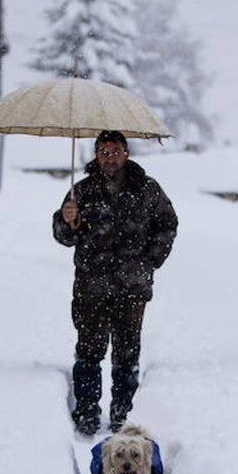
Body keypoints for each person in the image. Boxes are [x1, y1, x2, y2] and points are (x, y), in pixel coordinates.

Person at [53, 130, 178, 435]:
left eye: (116, 151)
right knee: (89, 351)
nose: (110, 157)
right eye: (104, 151)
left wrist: (150, 261)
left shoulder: (147, 189)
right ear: (96, 154)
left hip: (132, 287)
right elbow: (63, 237)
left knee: (126, 351)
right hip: (90, 286)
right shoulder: (80, 192)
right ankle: (86, 413)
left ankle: (123, 414)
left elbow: (168, 224)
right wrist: (66, 219)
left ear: (126, 153)